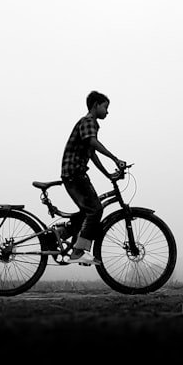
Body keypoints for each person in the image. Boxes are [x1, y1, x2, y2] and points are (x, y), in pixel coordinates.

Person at [60, 90, 126, 265]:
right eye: (105, 107)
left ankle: (61, 234)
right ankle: (78, 251)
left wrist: (108, 175)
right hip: (75, 174)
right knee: (95, 210)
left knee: (87, 212)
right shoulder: (89, 121)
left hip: (74, 174)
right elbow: (93, 143)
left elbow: (92, 154)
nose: (107, 112)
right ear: (96, 105)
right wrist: (115, 158)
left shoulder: (88, 125)